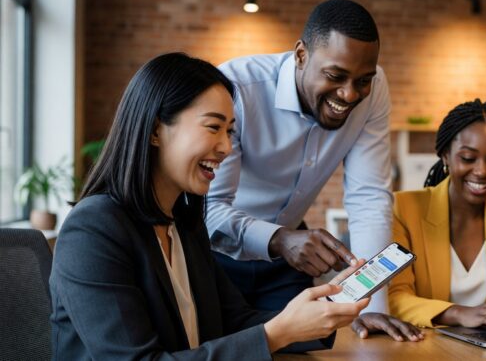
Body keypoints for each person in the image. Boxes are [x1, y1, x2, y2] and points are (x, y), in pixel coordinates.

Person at [50, 53, 370, 360]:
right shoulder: (92, 231)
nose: (227, 147)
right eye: (213, 127)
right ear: (155, 130)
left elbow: (233, 321)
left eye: (229, 130)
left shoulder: (185, 225)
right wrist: (277, 333)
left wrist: (320, 308)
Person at [205, 0, 421, 341]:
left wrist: (373, 305)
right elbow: (209, 207)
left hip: (285, 263)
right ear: (301, 55)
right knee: (227, 348)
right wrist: (277, 239)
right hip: (215, 259)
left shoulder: (375, 89)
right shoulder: (236, 88)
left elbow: (369, 198)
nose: (350, 94)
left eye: (362, 80)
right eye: (335, 76)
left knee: (309, 345)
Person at [389, 99, 486, 328]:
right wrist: (459, 314)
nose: (482, 171)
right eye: (468, 158)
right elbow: (395, 297)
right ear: (446, 155)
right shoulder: (404, 209)